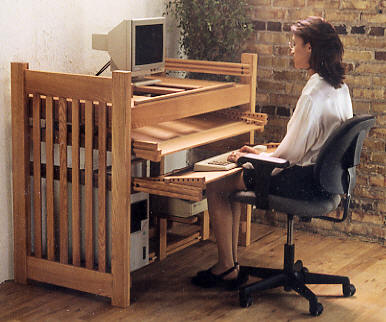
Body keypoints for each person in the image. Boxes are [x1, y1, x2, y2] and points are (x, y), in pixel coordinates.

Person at [191, 16, 353, 290]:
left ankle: (226, 267)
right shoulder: (339, 87)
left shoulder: (314, 93)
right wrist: (261, 152)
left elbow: (288, 157)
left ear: (310, 48)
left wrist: (251, 161)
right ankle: (230, 264)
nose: (292, 49)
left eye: (295, 44)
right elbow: (306, 144)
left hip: (303, 181)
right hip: (326, 182)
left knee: (217, 185)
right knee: (236, 176)